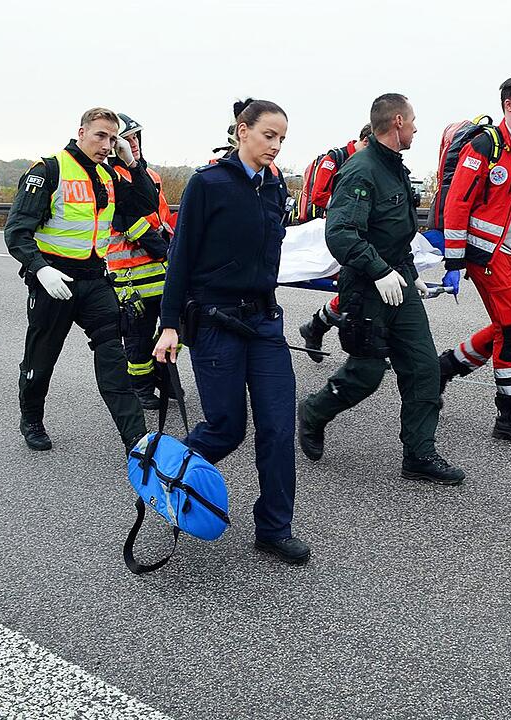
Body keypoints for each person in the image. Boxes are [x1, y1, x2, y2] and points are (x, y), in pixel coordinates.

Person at [152, 99, 310, 565]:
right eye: (269, 136)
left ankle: (274, 528)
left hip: (263, 322)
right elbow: (179, 259)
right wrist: (170, 325)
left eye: (282, 138)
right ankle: (163, 475)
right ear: (243, 131)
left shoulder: (275, 186)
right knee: (225, 429)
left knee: (279, 429)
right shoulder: (208, 183)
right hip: (216, 322)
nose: (276, 146)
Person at [297, 93, 466, 486]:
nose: (417, 128)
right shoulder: (362, 171)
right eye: (413, 120)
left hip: (399, 282)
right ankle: (314, 411)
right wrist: (378, 270)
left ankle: (419, 454)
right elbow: (339, 233)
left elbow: (396, 232)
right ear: (396, 123)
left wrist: (409, 273)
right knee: (367, 372)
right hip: (367, 287)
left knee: (423, 367)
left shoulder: (396, 169)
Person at [5, 107, 157, 453]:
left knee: (113, 360)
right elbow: (16, 231)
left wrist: (132, 163)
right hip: (54, 281)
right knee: (41, 360)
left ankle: (136, 440)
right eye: (100, 135)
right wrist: (40, 268)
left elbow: (146, 203)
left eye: (112, 138)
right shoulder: (49, 170)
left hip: (95, 281)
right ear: (81, 132)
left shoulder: (108, 175)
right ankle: (31, 419)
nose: (106, 144)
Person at [435, 76, 511, 447]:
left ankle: (446, 367)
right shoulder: (486, 146)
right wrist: (454, 261)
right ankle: (510, 414)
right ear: (508, 105)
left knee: (509, 325)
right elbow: (458, 202)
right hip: (485, 254)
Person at [106, 112, 176, 411]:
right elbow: (125, 220)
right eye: (126, 138)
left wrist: (174, 244)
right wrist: (160, 247)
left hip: (161, 267)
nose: (132, 143)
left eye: (135, 137)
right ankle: (140, 387)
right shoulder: (107, 177)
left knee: (175, 325)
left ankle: (164, 376)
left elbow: (161, 217)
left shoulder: (151, 176)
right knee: (138, 333)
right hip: (131, 271)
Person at [297, 124, 372, 363]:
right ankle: (362, 350)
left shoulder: (368, 164)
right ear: (367, 142)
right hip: (334, 228)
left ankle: (317, 326)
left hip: (360, 229)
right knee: (358, 287)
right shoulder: (335, 159)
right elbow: (320, 195)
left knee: (363, 287)